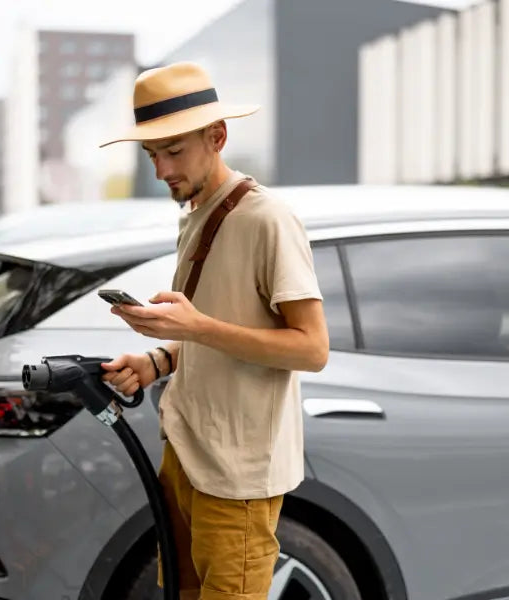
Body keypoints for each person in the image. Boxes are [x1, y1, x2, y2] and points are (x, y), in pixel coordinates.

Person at [98, 61, 329, 600]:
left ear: (217, 136)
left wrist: (196, 326)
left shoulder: (266, 219)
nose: (160, 170)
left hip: (238, 476)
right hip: (187, 454)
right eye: (152, 155)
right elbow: (221, 329)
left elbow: (312, 348)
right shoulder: (197, 215)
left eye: (173, 151)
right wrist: (157, 359)